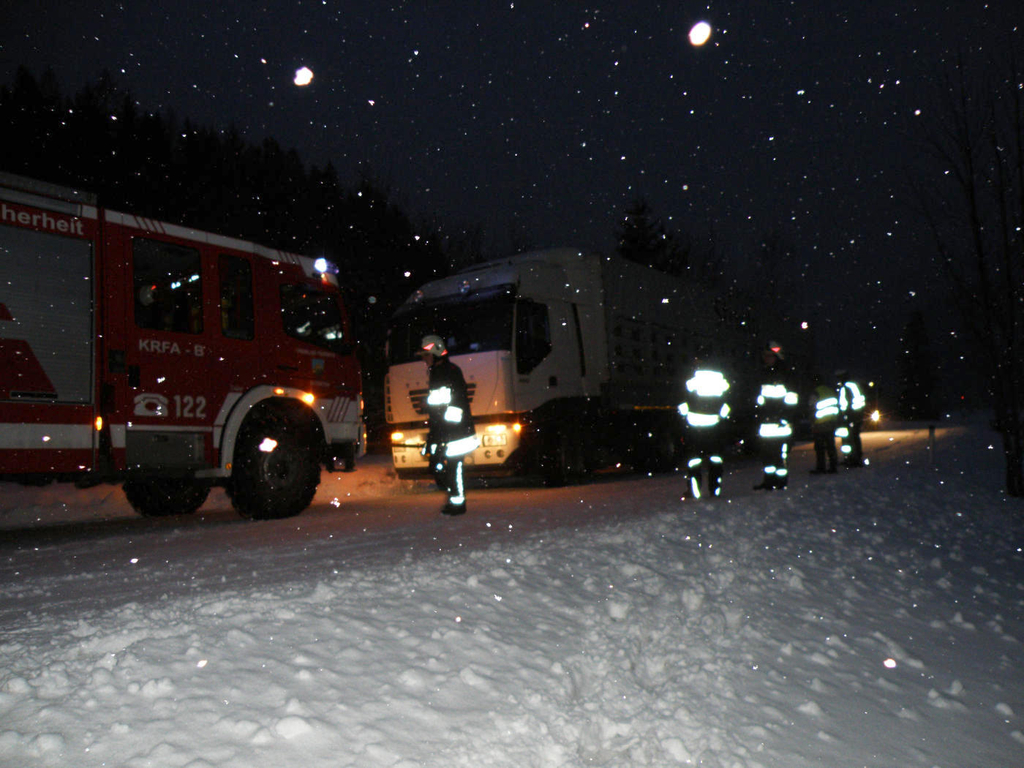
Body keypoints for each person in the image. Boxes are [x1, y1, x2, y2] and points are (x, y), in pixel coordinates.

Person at [419, 334, 479, 515]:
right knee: (450, 467)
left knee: (453, 467)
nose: (424, 360)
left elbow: (445, 406)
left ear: (436, 353)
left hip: (455, 433)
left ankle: (457, 503)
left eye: (426, 356)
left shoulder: (443, 372)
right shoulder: (447, 370)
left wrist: (438, 435)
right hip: (452, 431)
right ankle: (455, 501)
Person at [677, 361, 731, 499]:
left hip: (696, 428)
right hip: (714, 429)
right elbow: (727, 408)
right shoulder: (720, 385)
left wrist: (685, 417)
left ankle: (694, 491)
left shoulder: (693, 384)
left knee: (694, 460)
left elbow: (682, 405)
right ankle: (715, 490)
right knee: (715, 460)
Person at [753, 342, 799, 490]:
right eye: (765, 356)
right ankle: (769, 481)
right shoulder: (764, 374)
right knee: (767, 455)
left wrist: (785, 417)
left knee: (778, 456)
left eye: (769, 356)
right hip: (766, 424)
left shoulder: (784, 375)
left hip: (780, 424)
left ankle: (781, 482)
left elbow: (791, 398)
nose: (766, 359)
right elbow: (760, 401)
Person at [836, 371, 866, 467]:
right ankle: (854, 457)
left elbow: (848, 403)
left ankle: (852, 458)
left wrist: (845, 416)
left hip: (851, 416)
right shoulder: (853, 385)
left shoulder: (847, 387)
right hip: (857, 415)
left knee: (850, 438)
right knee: (854, 437)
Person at [810, 373, 839, 474]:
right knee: (831, 446)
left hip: (820, 424)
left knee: (819, 447)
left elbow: (812, 408)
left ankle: (821, 467)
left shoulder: (816, 392)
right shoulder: (830, 391)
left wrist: (812, 422)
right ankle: (833, 466)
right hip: (831, 422)